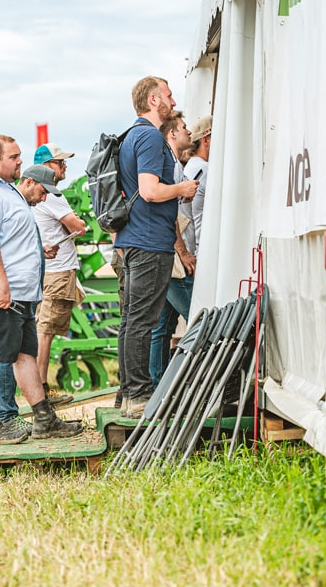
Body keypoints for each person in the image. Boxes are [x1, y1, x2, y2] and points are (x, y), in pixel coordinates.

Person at [0, 135, 83, 444]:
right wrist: (0, 284)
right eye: (14, 157)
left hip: (19, 293)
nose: (19, 161)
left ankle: (43, 418)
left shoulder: (6, 191)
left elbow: (11, 238)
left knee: (25, 353)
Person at [114, 76, 199, 418]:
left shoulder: (131, 136)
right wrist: (182, 190)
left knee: (132, 319)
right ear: (153, 101)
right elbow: (150, 190)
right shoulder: (149, 136)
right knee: (142, 321)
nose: (173, 100)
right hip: (150, 241)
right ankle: (138, 394)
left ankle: (128, 392)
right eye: (168, 95)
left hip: (134, 239)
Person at [31, 143, 87, 406]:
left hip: (47, 272)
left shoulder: (38, 197)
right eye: (59, 162)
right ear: (46, 166)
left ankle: (39, 388)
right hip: (58, 272)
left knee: (44, 329)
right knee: (46, 332)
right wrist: (78, 221)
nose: (65, 166)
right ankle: (41, 391)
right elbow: (78, 226)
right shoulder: (53, 196)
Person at [148, 111, 198, 387]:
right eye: (183, 127)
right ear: (171, 134)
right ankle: (193, 380)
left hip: (167, 251)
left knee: (162, 326)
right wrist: (183, 251)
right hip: (173, 255)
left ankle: (159, 383)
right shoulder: (173, 167)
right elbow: (169, 214)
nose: (188, 131)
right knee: (197, 314)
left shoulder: (174, 163)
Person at [185, 115, 212, 246]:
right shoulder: (205, 169)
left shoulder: (191, 165)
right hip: (201, 247)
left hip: (194, 244)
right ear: (205, 140)